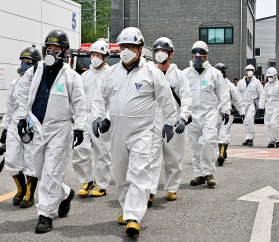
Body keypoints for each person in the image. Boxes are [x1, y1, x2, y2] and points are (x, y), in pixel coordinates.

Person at [91, 27, 177, 236]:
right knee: (121, 175)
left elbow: (166, 100)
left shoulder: (152, 72)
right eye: (122, 47)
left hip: (142, 131)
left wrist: (169, 122)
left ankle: (133, 217)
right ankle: (126, 207)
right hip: (117, 131)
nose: (125, 51)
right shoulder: (111, 73)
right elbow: (99, 98)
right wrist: (98, 116)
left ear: (140, 49)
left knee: (139, 172)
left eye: (130, 46)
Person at [17, 29, 86, 233]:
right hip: (37, 127)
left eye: (56, 48)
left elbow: (80, 104)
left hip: (60, 129)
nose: (52, 51)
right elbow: (22, 90)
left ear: (65, 51)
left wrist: (80, 127)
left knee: (51, 172)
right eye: (49, 48)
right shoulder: (35, 69)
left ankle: (45, 215)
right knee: (37, 171)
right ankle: (65, 194)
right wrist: (22, 117)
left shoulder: (71, 76)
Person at [149, 37, 192, 205]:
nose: (160, 54)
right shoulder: (150, 73)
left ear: (171, 54)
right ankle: (150, 190)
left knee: (173, 156)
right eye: (157, 51)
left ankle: (172, 188)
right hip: (153, 120)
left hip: (173, 120)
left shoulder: (179, 75)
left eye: (163, 51)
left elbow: (187, 98)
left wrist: (183, 117)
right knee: (151, 156)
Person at [183, 41, 230, 187]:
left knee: (209, 142)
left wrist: (226, 110)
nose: (197, 60)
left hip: (209, 113)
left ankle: (208, 173)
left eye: (201, 57)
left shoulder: (214, 74)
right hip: (192, 114)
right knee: (195, 145)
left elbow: (223, 93)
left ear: (206, 56)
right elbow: (181, 94)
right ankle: (199, 175)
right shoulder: (186, 74)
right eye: (195, 56)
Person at [1, 47, 41, 208]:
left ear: (36, 65)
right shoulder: (15, 83)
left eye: (28, 63)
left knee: (30, 161)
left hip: (32, 125)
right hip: (14, 125)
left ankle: (30, 195)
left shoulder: (39, 83)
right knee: (11, 160)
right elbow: (10, 107)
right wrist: (5, 128)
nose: (24, 65)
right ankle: (20, 189)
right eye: (22, 62)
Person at [72, 40, 112, 197]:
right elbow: (78, 98)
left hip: (101, 117)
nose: (94, 58)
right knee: (79, 149)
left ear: (106, 57)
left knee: (102, 152)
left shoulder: (111, 75)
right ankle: (87, 180)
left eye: (98, 55)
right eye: (92, 54)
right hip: (85, 116)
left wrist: (107, 118)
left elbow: (113, 99)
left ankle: (101, 184)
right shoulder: (85, 76)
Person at [215, 63, 245, 166]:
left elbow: (237, 99)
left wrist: (242, 111)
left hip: (227, 114)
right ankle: (223, 151)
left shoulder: (230, 86)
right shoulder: (212, 84)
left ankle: (222, 154)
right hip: (214, 114)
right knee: (216, 135)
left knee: (223, 133)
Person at [237, 64, 263, 146]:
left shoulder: (257, 82)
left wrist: (261, 105)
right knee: (245, 121)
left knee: (249, 119)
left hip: (252, 103)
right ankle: (248, 138)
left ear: (254, 72)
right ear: (245, 72)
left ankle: (250, 138)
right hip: (243, 104)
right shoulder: (241, 82)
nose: (250, 72)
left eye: (251, 70)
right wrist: (237, 105)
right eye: (248, 70)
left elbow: (261, 93)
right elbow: (236, 94)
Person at [259, 67, 279, 148]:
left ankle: (278, 140)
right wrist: (261, 106)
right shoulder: (266, 85)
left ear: (274, 76)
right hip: (268, 107)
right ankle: (271, 141)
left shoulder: (278, 85)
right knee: (267, 124)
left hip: (276, 106)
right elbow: (263, 96)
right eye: (268, 76)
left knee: (273, 123)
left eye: (271, 76)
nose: (269, 78)